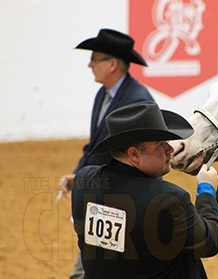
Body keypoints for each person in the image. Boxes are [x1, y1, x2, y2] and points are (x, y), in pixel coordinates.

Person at [71, 101, 218, 278]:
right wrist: (207, 190)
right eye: (160, 145)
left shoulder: (84, 180)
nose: (170, 149)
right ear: (134, 154)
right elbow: (208, 242)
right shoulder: (168, 199)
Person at [59, 28, 154, 278]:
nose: (90, 64)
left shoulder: (137, 100)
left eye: (95, 58)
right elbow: (95, 147)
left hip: (121, 200)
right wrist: (78, 174)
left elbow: (141, 158)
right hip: (104, 197)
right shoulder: (104, 94)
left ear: (112, 64)